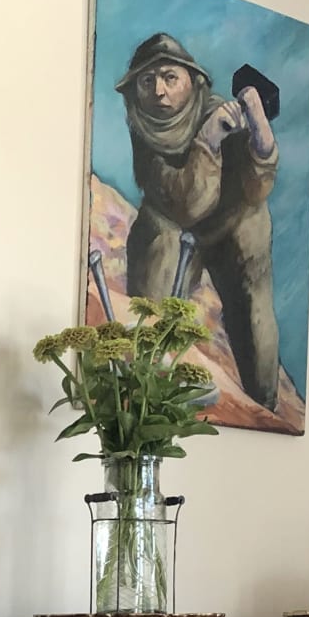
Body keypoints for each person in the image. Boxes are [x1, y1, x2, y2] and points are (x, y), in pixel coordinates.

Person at [118, 32, 282, 410]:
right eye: (147, 81)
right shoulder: (147, 136)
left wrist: (261, 138)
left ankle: (264, 408)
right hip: (176, 222)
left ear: (193, 81)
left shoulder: (222, 113)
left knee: (254, 314)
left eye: (169, 78)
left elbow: (257, 190)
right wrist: (207, 142)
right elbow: (185, 205)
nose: (159, 91)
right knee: (155, 252)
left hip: (236, 224)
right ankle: (146, 396)